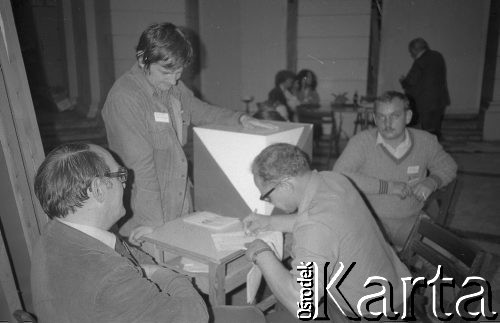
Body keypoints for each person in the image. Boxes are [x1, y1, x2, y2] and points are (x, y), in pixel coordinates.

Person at [30, 143, 266, 323]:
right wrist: (163, 273)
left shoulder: (54, 233)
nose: (125, 184)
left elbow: (130, 254)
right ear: (98, 189)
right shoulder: (111, 277)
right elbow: (196, 315)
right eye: (119, 176)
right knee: (252, 317)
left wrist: (147, 270)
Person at [102, 22, 273, 238]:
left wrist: (240, 118)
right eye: (166, 71)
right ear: (142, 58)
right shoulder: (125, 98)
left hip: (178, 200)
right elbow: (141, 171)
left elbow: (200, 110)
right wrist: (154, 225)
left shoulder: (171, 86)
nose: (174, 79)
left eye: (179, 72)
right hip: (146, 213)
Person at [243, 143, 410, 322]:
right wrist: (268, 222)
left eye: (267, 196)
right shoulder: (332, 179)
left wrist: (261, 252)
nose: (269, 202)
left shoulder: (315, 226)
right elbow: (324, 222)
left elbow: (302, 304)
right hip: (396, 289)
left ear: (286, 185)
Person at [333, 91, 457, 248]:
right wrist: (388, 187)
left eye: (395, 116)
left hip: (410, 220)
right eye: (381, 117)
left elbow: (448, 166)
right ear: (374, 119)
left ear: (408, 116)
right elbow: (339, 175)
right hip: (368, 221)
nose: (387, 123)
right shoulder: (361, 142)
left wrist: (432, 181)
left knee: (443, 257)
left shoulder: (425, 141)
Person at [399, 37, 450, 139]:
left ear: (414, 50)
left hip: (426, 101)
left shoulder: (420, 62)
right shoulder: (438, 56)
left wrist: (403, 81)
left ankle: (429, 152)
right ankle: (437, 149)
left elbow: (411, 82)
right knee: (436, 129)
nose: (411, 55)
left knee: (427, 131)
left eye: (410, 52)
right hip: (440, 99)